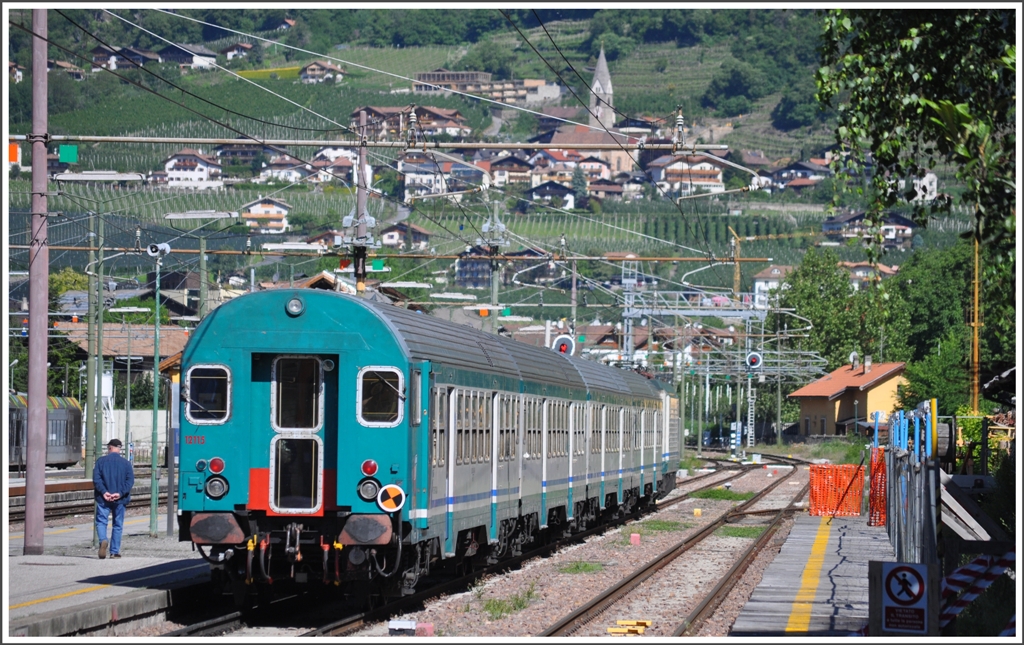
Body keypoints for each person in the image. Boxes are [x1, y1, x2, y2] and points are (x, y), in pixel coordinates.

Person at [93, 438, 134, 559]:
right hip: (120, 499)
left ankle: (103, 540)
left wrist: (104, 492)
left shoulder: (100, 462)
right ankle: (114, 552)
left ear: (110, 447)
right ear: (119, 448)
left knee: (101, 521)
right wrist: (120, 493)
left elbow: (96, 479)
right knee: (117, 524)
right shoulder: (126, 463)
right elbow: (130, 481)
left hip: (103, 498)